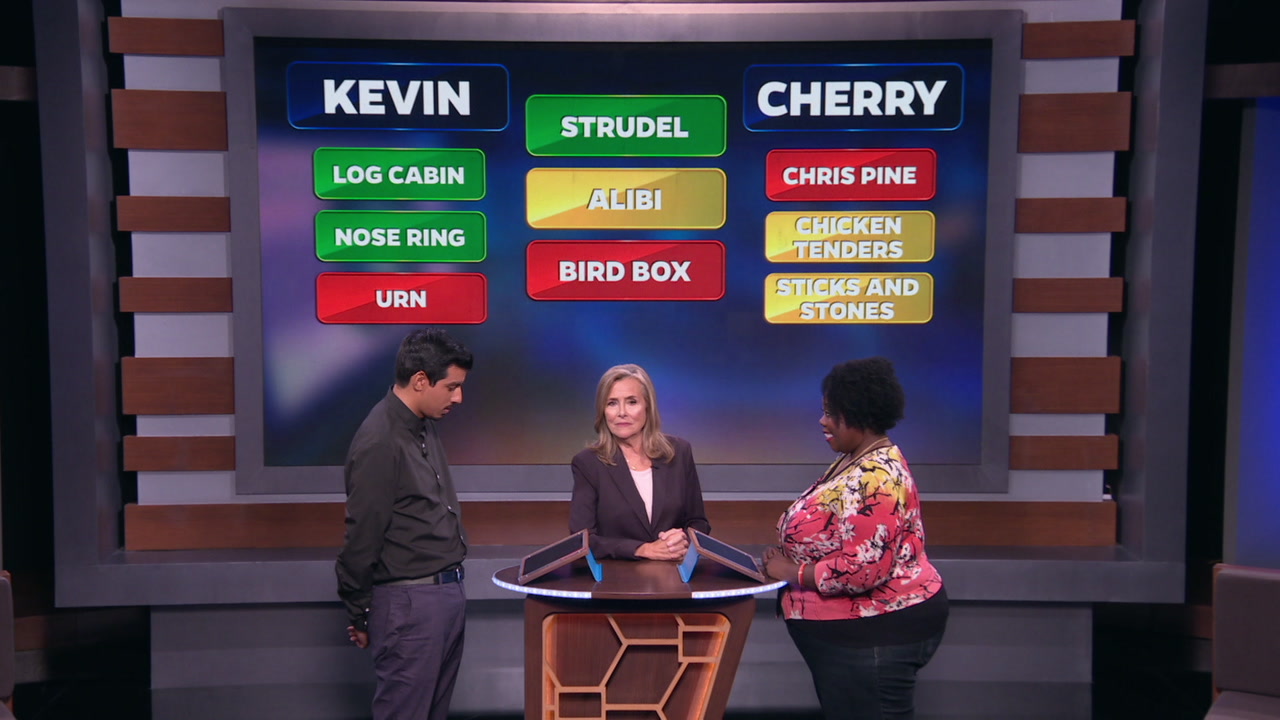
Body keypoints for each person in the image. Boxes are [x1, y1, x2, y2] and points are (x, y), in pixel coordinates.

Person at [763, 357, 947, 720]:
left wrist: (791, 572)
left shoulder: (877, 476)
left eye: (832, 413)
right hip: (857, 638)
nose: (823, 421)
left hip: (876, 633)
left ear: (859, 414)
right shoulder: (857, 458)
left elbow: (862, 570)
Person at [335, 328, 473, 720]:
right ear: (420, 381)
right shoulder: (379, 441)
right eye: (452, 387)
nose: (458, 398)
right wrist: (359, 612)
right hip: (410, 605)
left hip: (444, 596)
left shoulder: (423, 424)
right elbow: (362, 537)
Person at [569, 364, 710, 560]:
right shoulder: (588, 463)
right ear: (603, 411)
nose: (622, 412)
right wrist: (642, 549)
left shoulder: (679, 452)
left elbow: (698, 522)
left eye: (632, 402)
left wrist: (681, 540)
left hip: (673, 568)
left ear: (648, 407)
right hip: (618, 571)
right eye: (612, 403)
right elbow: (583, 540)